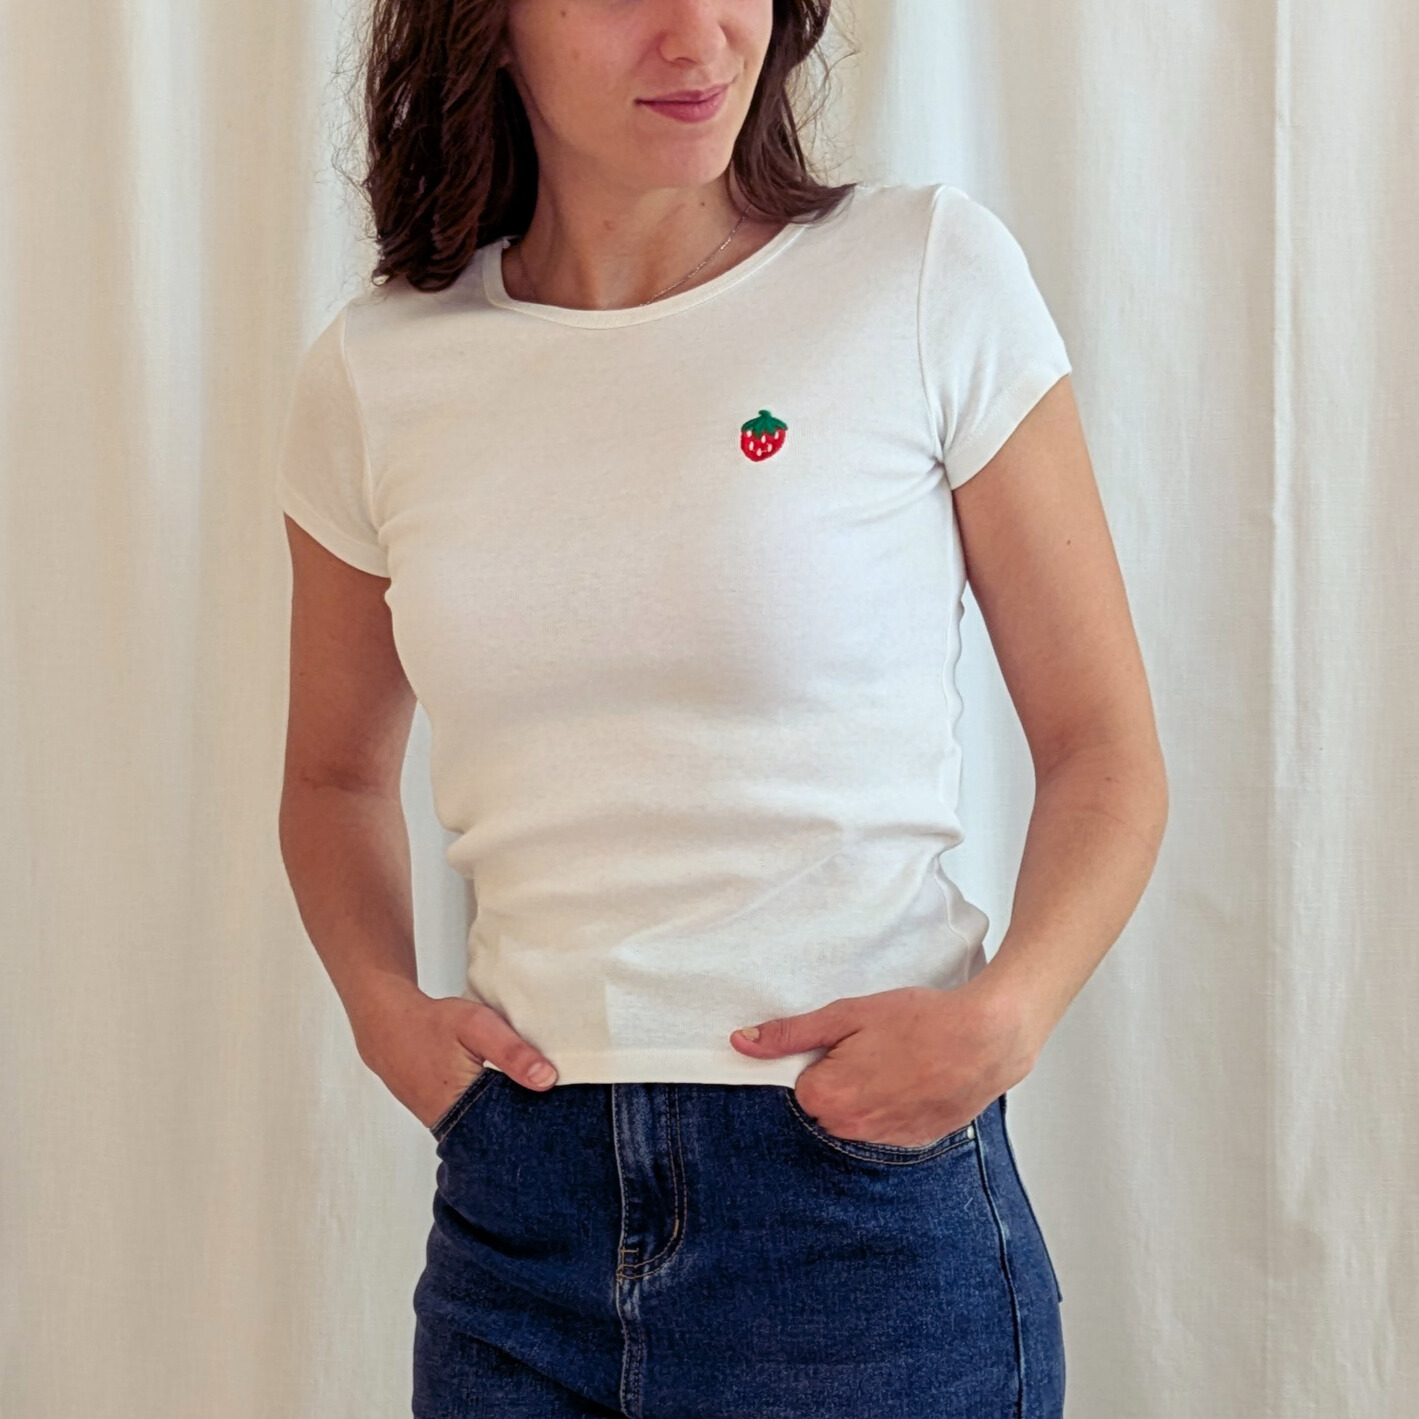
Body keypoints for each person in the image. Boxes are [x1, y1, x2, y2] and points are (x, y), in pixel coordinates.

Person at [275, 2, 1168, 1415]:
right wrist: (384, 1008)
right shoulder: (379, 369)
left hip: (858, 1210)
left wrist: (1009, 1014)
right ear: (488, 25)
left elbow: (1103, 749)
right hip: (518, 1225)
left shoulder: (922, 274)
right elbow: (331, 776)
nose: (698, 38)